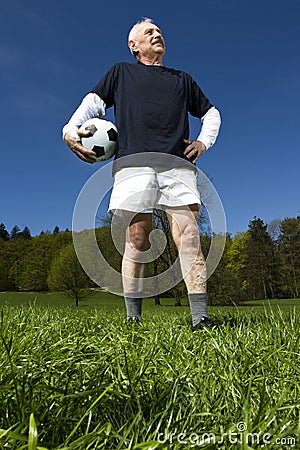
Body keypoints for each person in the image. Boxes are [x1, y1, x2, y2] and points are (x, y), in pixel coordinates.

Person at [62, 18, 221, 330]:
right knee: (137, 237)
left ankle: (200, 318)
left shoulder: (182, 79)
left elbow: (211, 113)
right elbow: (92, 104)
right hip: (134, 163)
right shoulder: (121, 72)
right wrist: (69, 130)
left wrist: (204, 142)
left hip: (178, 165)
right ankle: (133, 320)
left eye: (159, 31)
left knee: (189, 236)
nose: (157, 34)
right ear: (133, 46)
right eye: (149, 32)